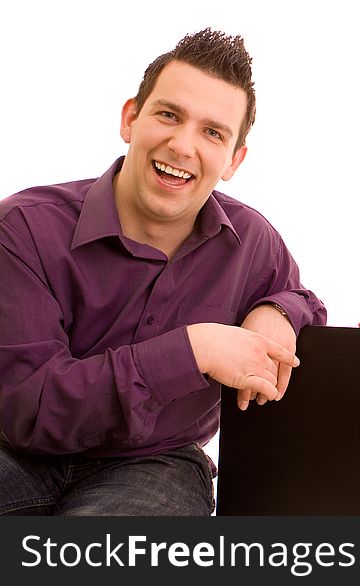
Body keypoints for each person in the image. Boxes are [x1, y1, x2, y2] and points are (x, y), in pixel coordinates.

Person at [0, 29, 327, 516]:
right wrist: (192, 352)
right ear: (131, 118)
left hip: (157, 464)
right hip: (17, 453)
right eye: (169, 115)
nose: (182, 145)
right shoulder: (23, 227)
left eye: (213, 132)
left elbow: (304, 302)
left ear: (234, 160)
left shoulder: (252, 241)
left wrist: (277, 309)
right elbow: (32, 408)